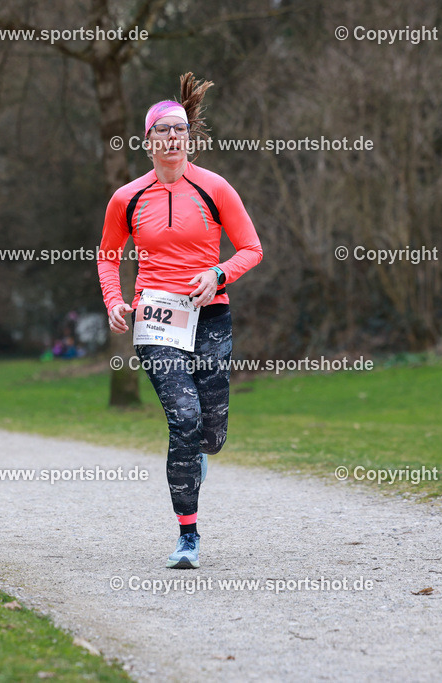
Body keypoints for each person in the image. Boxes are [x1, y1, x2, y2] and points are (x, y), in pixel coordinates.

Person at [97, 73, 263, 569]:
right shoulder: (127, 198)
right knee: (184, 420)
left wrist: (219, 272)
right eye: (162, 131)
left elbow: (252, 249)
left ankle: (199, 454)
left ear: (189, 138)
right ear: (147, 141)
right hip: (157, 320)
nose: (172, 138)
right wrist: (114, 300)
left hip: (209, 315)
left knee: (211, 432)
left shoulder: (214, 189)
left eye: (179, 130)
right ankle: (187, 535)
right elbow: (108, 255)